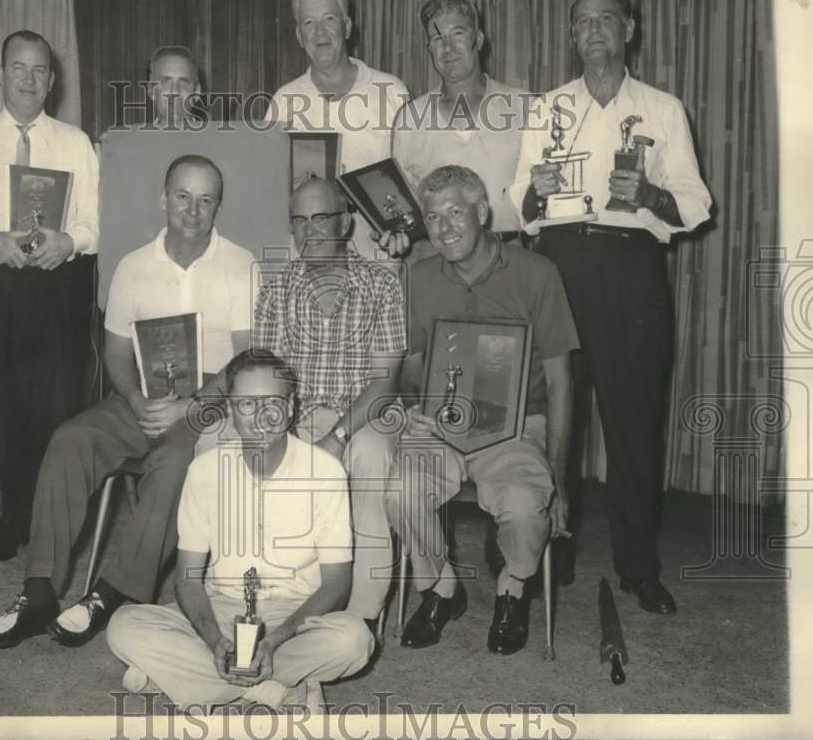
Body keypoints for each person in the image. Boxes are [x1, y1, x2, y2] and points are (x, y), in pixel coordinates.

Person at [0, 155, 254, 649]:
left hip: (210, 398)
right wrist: (133, 397)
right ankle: (38, 593)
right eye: (183, 196)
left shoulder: (241, 263)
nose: (193, 210)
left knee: (173, 462)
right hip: (140, 392)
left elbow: (246, 358)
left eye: (206, 199)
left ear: (218, 207)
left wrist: (189, 405)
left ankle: (110, 593)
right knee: (70, 439)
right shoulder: (132, 265)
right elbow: (117, 352)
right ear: (163, 199)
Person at [509, 0, 712, 615]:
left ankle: (638, 567)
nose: (593, 29)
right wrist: (538, 192)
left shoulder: (662, 107)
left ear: (629, 29)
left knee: (634, 423)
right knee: (555, 422)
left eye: (605, 19)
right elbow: (518, 204)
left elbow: (697, 204)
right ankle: (550, 551)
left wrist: (650, 195)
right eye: (581, 22)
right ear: (571, 36)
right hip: (561, 264)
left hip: (631, 269)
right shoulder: (547, 109)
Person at [107, 349, 373, 714]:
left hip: (295, 618)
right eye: (246, 403)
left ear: (292, 407)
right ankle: (271, 689)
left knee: (354, 640)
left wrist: (275, 640)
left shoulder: (325, 472)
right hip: (221, 611)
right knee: (123, 625)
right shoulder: (204, 471)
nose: (261, 416)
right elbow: (187, 579)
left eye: (273, 402)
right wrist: (214, 641)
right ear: (230, 411)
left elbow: (337, 585)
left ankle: (192, 681)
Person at [386, 165, 577, 654]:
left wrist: (560, 477)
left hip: (514, 427)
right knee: (400, 488)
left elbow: (559, 380)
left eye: (455, 213)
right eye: (433, 218)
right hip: (441, 426)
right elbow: (409, 366)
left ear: (483, 211)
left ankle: (513, 586)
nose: (444, 229)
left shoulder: (539, 274)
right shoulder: (419, 276)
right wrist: (414, 407)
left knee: (524, 505)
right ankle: (443, 589)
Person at [0, 30, 99, 560]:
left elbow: (99, 220)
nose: (29, 80)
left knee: (58, 406)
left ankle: (59, 525)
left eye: (40, 71)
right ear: (0, 74)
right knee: (7, 403)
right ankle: (15, 519)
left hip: (59, 280)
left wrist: (70, 240)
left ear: (53, 81)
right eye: (18, 68)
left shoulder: (75, 142)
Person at [251, 177, 407, 630]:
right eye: (299, 220)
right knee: (246, 455)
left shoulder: (382, 285)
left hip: (364, 414)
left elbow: (386, 382)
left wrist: (338, 436)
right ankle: (266, 605)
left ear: (346, 222)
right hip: (295, 412)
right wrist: (280, 432)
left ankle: (358, 618)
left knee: (371, 460)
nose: (310, 230)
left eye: (321, 218)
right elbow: (266, 376)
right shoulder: (276, 288)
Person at [265, 0, 409, 259]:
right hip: (306, 266)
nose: (320, 32)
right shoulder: (283, 101)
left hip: (376, 261)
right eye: (308, 22)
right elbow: (269, 190)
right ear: (298, 35)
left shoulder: (392, 92)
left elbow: (410, 180)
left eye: (329, 19)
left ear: (347, 26)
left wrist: (401, 229)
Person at [392, 0, 531, 253]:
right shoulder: (410, 118)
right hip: (437, 260)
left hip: (507, 257)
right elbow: (401, 205)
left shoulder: (524, 106)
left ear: (478, 39)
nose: (448, 47)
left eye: (458, 33)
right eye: (437, 38)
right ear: (429, 50)